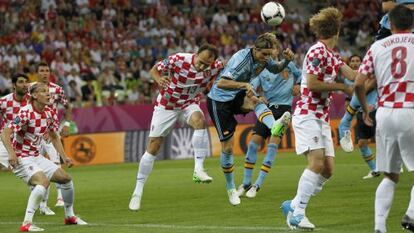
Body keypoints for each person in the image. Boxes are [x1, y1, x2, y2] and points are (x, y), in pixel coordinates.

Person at [280, 7, 355, 230]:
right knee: (316, 162)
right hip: (307, 114)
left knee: (329, 169)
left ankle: (292, 204)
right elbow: (312, 83)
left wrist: (375, 75)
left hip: (321, 117)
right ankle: (298, 213)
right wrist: (342, 87)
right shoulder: (316, 51)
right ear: (337, 31)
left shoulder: (333, 55)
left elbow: (352, 75)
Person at [128, 43, 223, 211]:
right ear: (196, 53)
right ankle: (138, 190)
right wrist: (159, 79)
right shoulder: (178, 59)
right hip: (167, 105)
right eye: (200, 62)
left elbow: (223, 74)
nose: (202, 67)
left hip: (189, 103)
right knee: (153, 148)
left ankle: (198, 169)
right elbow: (154, 70)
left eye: (206, 65)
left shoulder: (216, 66)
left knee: (200, 121)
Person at [207, 33, 294, 206]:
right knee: (228, 148)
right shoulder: (241, 59)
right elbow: (222, 83)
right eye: (264, 54)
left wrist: (285, 61)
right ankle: (231, 188)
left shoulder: (264, 58)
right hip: (219, 101)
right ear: (255, 49)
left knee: (256, 100)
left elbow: (275, 68)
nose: (267, 58)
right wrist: (244, 85)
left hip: (237, 94)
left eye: (269, 54)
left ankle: (274, 125)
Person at [354, 5, 414, 233]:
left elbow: (359, 83)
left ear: (391, 24)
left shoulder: (377, 46)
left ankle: (379, 227)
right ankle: (411, 214)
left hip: (385, 113)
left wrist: (366, 108)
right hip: (410, 109)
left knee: (390, 175)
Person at [0, 82, 87, 232]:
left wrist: (64, 156)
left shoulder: (49, 112)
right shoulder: (25, 112)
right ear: (34, 95)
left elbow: (53, 135)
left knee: (66, 179)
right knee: (43, 182)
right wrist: (12, 153)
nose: (48, 94)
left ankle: (69, 216)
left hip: (36, 156)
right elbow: (5, 132)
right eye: (43, 91)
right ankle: (26, 223)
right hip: (22, 157)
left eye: (48, 91)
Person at [237, 54, 301, 198]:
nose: (269, 54)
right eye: (266, 52)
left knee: (272, 146)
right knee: (253, 145)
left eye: (272, 50)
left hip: (283, 111)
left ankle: (257, 184)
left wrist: (298, 84)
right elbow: (251, 88)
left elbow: (302, 75)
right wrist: (258, 97)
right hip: (267, 110)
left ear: (277, 51)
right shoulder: (260, 70)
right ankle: (246, 183)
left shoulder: (288, 65)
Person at [36, 61, 72, 214]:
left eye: (47, 70)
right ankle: (42, 203)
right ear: (37, 72)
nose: (45, 73)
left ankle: (60, 197)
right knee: (37, 167)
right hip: (35, 133)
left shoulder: (57, 89)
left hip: (52, 133)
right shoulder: (31, 89)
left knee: (56, 163)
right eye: (42, 70)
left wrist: (67, 124)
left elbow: (67, 106)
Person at [338, 55, 380, 179]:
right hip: (362, 112)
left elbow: (363, 89)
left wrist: (353, 101)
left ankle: (394, 163)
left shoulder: (369, 74)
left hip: (376, 110)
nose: (355, 63)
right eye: (352, 61)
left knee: (385, 140)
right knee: (362, 143)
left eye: (358, 61)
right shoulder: (349, 78)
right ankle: (374, 170)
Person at [0, 73, 29, 168]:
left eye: (26, 82)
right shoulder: (4, 101)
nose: (24, 84)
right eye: (21, 82)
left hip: (27, 141)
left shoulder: (32, 101)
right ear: (14, 85)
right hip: (7, 141)